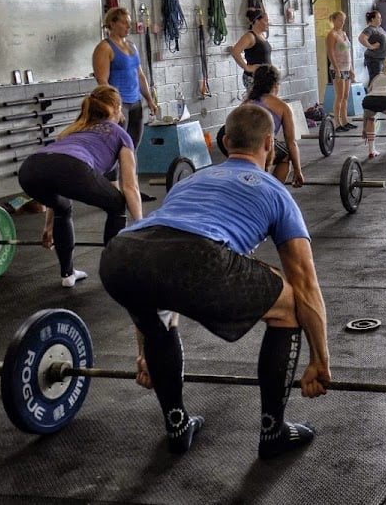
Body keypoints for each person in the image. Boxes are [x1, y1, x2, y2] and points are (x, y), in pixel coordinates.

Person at [99, 104, 331, 457]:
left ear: (224, 141)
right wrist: (320, 360)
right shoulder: (275, 191)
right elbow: (306, 285)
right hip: (197, 257)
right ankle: (274, 431)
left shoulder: (190, 180)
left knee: (160, 315)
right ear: (269, 143)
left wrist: (145, 350)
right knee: (288, 304)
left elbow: (159, 258)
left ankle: (177, 424)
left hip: (121, 255)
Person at [17, 85, 142, 287]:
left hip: (30, 169)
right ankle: (113, 273)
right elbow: (130, 187)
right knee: (118, 204)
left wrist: (49, 226)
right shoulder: (120, 134)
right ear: (117, 107)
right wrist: (140, 225)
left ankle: (67, 274)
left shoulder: (74, 129)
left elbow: (56, 180)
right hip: (73, 168)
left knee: (62, 206)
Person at [92, 7, 159, 149]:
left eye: (129, 23)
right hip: (119, 105)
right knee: (118, 147)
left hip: (136, 103)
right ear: (112, 23)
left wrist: (150, 100)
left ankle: (131, 172)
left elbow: (140, 75)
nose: (129, 26)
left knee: (133, 146)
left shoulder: (132, 46)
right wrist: (115, 107)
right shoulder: (104, 48)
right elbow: (102, 81)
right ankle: (116, 172)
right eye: (124, 23)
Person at [243, 65, 304, 186]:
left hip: (239, 147)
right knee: (286, 155)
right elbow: (291, 142)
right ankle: (273, 189)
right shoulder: (282, 106)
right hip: (260, 147)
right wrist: (298, 171)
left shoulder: (246, 103)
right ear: (276, 85)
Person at [325, 11, 357, 133]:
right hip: (337, 69)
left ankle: (345, 121)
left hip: (347, 68)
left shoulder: (343, 33)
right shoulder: (332, 35)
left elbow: (348, 53)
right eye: (339, 20)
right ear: (333, 20)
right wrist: (337, 69)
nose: (342, 23)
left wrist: (351, 69)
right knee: (339, 96)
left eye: (343, 21)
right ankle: (337, 123)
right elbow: (331, 53)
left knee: (345, 96)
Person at [231, 8, 272, 92]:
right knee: (257, 104)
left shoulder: (262, 36)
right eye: (266, 20)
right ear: (257, 21)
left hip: (264, 78)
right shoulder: (250, 36)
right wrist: (246, 67)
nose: (268, 23)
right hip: (254, 78)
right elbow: (235, 51)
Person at [358, 10, 386, 84]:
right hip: (374, 59)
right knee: (375, 79)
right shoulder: (370, 29)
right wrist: (371, 47)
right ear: (372, 19)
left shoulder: (379, 28)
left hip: (382, 58)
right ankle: (371, 94)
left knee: (381, 80)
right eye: (379, 18)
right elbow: (361, 38)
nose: (381, 19)